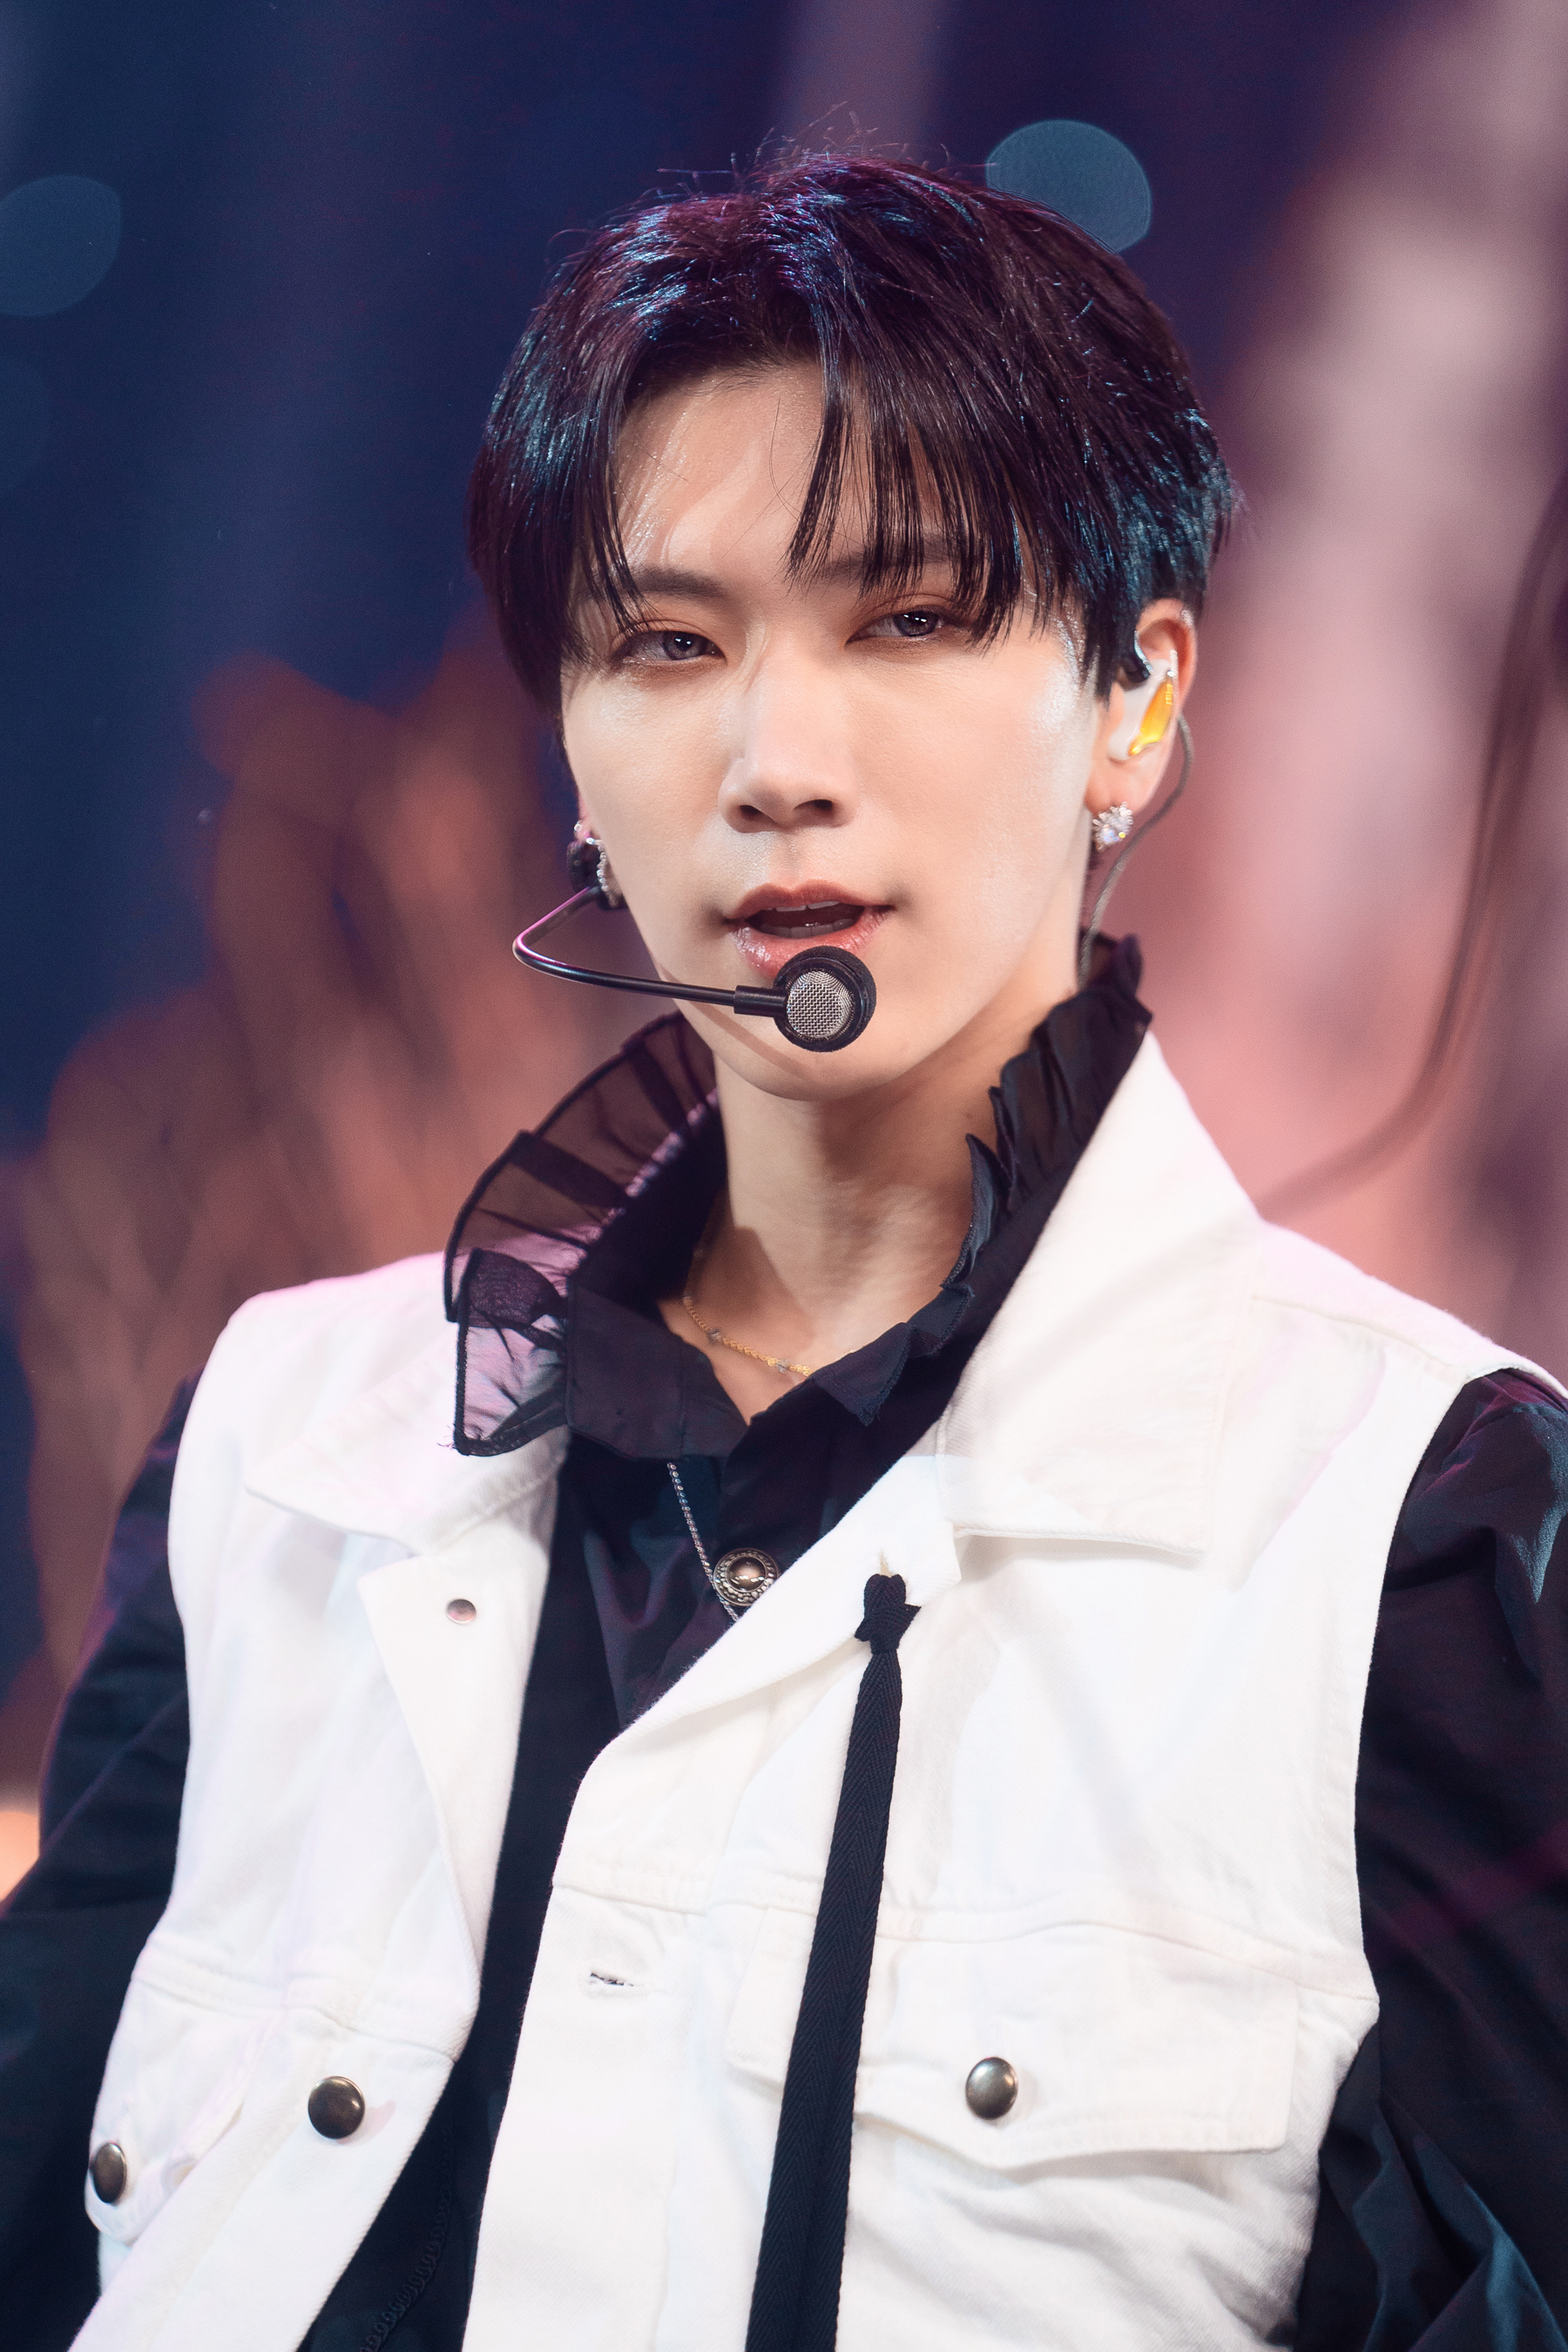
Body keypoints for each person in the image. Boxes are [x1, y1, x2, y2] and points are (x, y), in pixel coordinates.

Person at [2, 153, 1565, 2352]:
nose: (773, 761)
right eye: (665, 644)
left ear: (1135, 700)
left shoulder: (1423, 1532)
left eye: (907, 619)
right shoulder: (285, 1441)